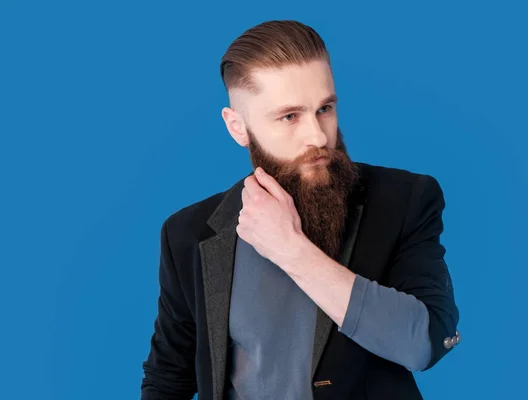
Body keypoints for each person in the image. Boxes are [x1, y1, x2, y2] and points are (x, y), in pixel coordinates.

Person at [141, 20, 460, 400]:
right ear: (238, 127)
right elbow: (168, 378)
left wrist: (292, 250)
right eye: (289, 116)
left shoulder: (405, 199)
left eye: (325, 108)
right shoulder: (189, 234)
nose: (318, 136)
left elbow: (424, 343)